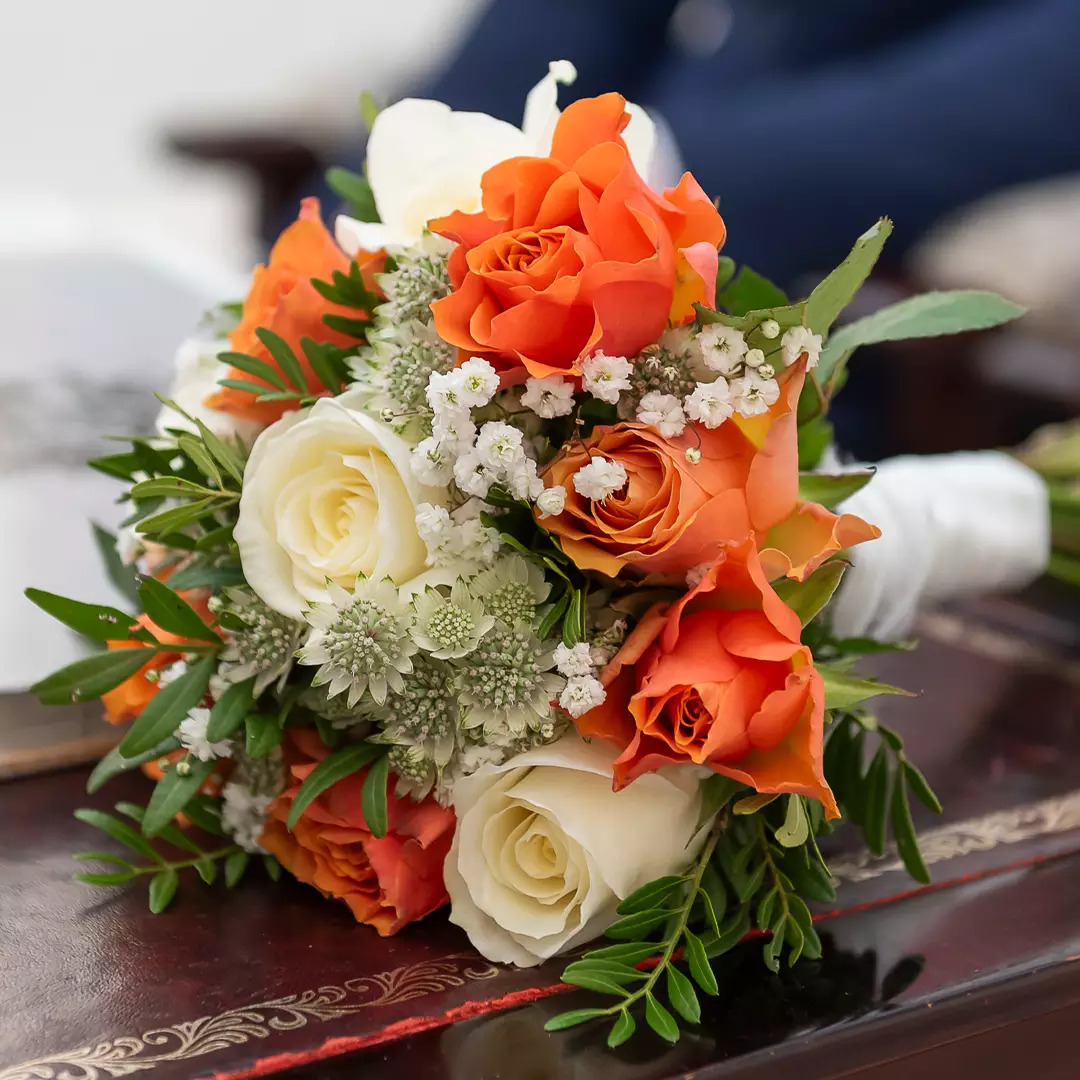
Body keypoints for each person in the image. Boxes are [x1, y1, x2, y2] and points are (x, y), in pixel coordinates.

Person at [336, 0, 1080, 287]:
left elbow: (962, 112)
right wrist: (340, 249)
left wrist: (608, 187)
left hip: (803, 368)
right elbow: (525, 48)